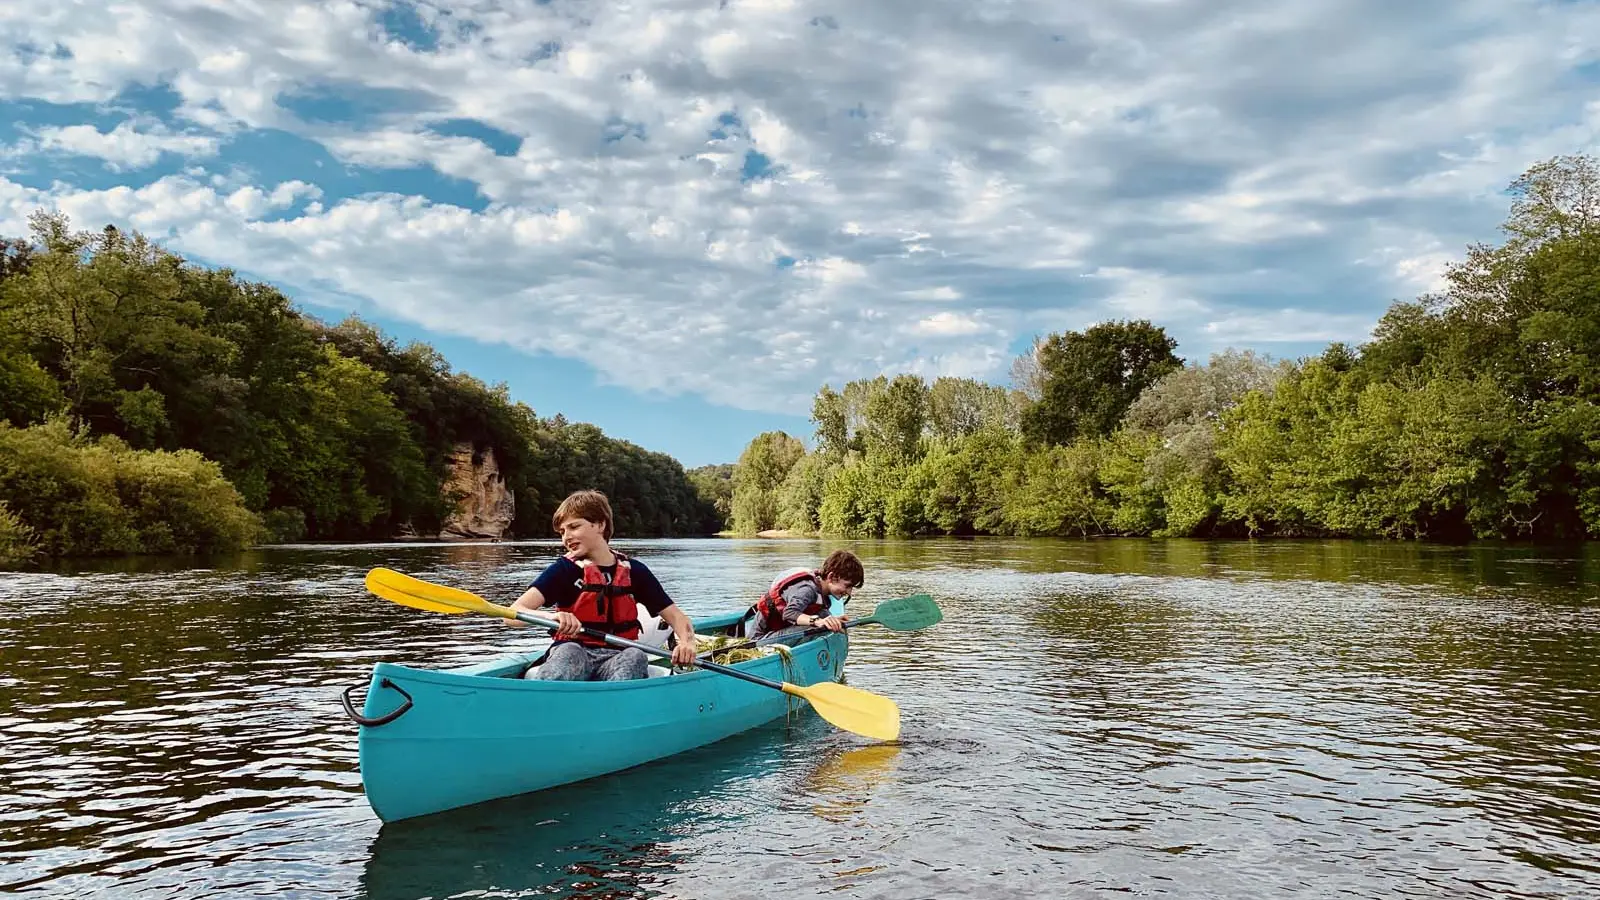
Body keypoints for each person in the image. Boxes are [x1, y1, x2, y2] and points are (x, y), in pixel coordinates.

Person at [508, 489, 698, 681]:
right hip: (573, 652)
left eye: (574, 527)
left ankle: (616, 703)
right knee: (570, 652)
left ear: (600, 524)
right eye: (562, 532)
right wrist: (551, 616)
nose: (566, 537)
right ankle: (549, 701)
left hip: (616, 656)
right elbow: (512, 615)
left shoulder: (635, 572)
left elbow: (677, 617)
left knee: (635, 655)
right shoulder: (563, 570)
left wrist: (687, 643)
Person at [745, 550, 864, 643]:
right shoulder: (807, 589)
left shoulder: (823, 593)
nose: (849, 592)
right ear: (832, 577)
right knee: (817, 628)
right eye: (848, 586)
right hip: (758, 641)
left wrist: (835, 622)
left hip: (778, 632)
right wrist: (818, 621)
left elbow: (821, 615)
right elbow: (790, 613)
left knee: (825, 619)